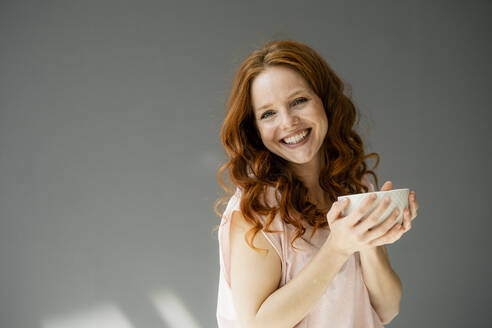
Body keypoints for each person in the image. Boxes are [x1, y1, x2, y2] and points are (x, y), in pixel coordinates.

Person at [214, 40, 419, 328]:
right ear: (255, 129)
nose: (288, 122)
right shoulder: (256, 210)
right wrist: (338, 248)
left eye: (299, 101)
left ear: (324, 100)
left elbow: (387, 307)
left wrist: (370, 237)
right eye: (268, 113)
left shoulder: (348, 187)